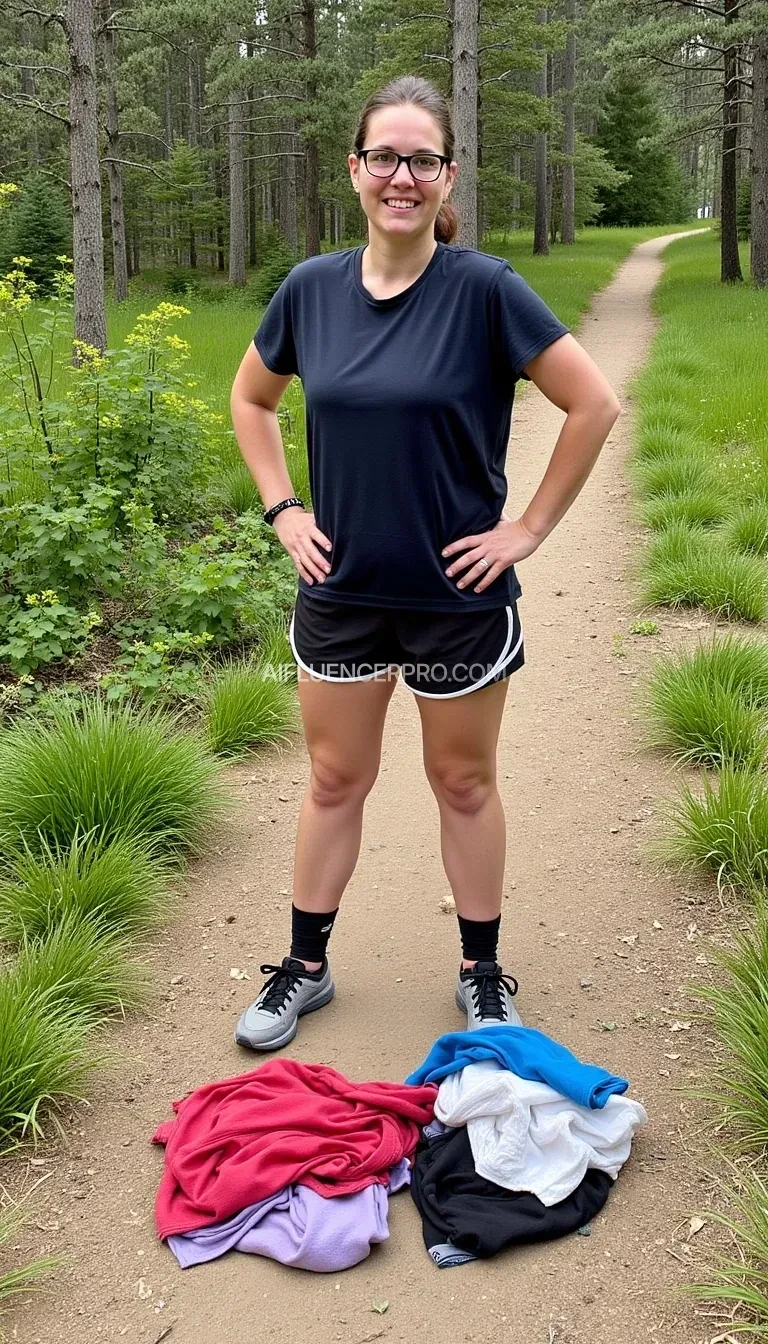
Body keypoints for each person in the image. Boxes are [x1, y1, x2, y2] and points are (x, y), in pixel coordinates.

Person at [229, 74, 621, 1052]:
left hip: (459, 599)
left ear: (448, 177)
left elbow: (595, 404)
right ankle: (305, 967)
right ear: (356, 170)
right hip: (342, 591)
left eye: (423, 159)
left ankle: (481, 973)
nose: (403, 176)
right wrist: (283, 507)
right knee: (333, 781)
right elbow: (251, 401)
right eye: (385, 157)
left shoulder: (486, 292)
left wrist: (524, 530)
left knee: (463, 784)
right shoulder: (310, 291)